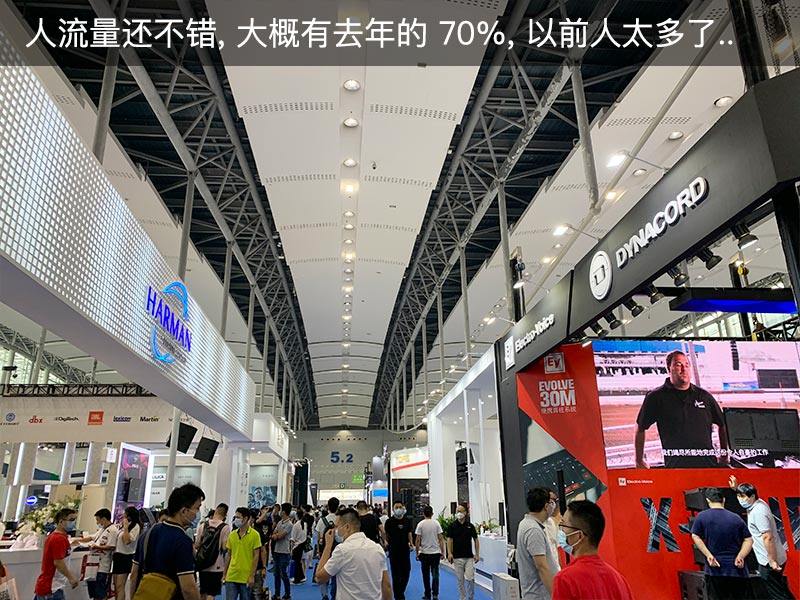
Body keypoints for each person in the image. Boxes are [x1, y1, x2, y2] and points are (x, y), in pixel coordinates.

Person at [634, 350, 729, 468]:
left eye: (687, 365)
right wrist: (639, 460)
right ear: (669, 369)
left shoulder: (704, 396)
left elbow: (722, 424)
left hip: (708, 466)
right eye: (678, 365)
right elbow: (640, 427)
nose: (684, 369)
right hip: (676, 469)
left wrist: (724, 455)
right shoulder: (656, 397)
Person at [130, 483, 204, 600]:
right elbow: (188, 588)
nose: (197, 513)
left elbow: (134, 574)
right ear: (184, 511)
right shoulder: (182, 541)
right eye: (197, 508)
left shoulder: (147, 534)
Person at [552, 500, 633, 600]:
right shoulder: (620, 581)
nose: (561, 531)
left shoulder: (565, 580)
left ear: (579, 535)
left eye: (563, 525)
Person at [730, 476, 795, 599]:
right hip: (769, 558)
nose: (740, 499)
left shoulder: (758, 512)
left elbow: (767, 537)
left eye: (742, 496)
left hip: (769, 560)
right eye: (738, 496)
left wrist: (772, 561)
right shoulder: (757, 503)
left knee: (776, 594)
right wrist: (736, 488)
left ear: (752, 496)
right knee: (780, 590)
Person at [315, 508, 392, 600]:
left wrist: (328, 546)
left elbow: (319, 578)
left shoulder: (342, 550)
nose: (335, 530)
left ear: (347, 527)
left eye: (337, 526)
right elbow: (386, 585)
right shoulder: (377, 548)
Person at [690, 487, 753, 600]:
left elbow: (695, 536)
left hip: (714, 570)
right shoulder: (736, 518)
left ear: (708, 500)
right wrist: (741, 556)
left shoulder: (702, 517)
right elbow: (748, 539)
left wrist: (708, 555)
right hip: (737, 570)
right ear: (723, 500)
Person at [517, 488, 558, 600]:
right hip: (540, 595)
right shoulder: (533, 530)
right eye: (551, 502)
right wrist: (556, 595)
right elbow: (541, 567)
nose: (554, 505)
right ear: (546, 506)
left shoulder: (528, 524)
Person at [34, 507, 80, 599]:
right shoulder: (58, 539)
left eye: (75, 519)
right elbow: (58, 562)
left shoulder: (58, 537)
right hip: (51, 588)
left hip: (50, 586)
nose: (74, 522)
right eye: (71, 520)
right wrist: (71, 577)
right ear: (61, 521)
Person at [224, 507, 262, 600]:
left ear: (245, 519)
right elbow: (228, 555)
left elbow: (256, 556)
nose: (236, 519)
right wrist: (224, 574)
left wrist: (252, 576)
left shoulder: (255, 535)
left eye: (238, 517)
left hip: (246, 577)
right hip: (232, 575)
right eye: (235, 517)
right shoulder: (232, 535)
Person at [194, 503, 231, 600]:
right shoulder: (225, 527)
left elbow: (197, 545)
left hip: (203, 564)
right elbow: (224, 547)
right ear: (225, 514)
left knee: (202, 592)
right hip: (217, 566)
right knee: (211, 594)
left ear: (215, 511)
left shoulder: (203, 525)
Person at [81, 508, 119, 600]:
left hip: (102, 566)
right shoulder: (102, 529)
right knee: (94, 591)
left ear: (104, 519)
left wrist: (96, 547)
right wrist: (77, 540)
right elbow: (92, 537)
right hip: (94, 564)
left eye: (98, 520)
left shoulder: (113, 530)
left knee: (100, 592)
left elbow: (112, 547)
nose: (97, 522)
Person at [446, 505, 480, 600]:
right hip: (457, 557)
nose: (459, 513)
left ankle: (471, 597)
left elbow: (476, 540)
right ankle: (462, 597)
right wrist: (449, 553)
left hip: (469, 557)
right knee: (460, 580)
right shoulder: (452, 526)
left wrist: (477, 554)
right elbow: (449, 540)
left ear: (465, 513)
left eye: (461, 511)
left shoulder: (470, 526)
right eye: (457, 511)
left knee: (470, 578)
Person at [384, 501, 414, 600]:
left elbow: (409, 533)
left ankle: (400, 591)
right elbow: (386, 534)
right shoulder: (389, 522)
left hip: (405, 550)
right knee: (396, 574)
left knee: (406, 572)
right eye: (396, 507)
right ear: (393, 509)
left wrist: (411, 543)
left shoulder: (407, 521)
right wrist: (386, 543)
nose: (398, 509)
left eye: (400, 507)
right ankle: (399, 596)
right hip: (394, 551)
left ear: (403, 508)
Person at [415, 505, 445, 600]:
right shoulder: (436, 524)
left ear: (423, 514)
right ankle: (435, 594)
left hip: (424, 553)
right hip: (435, 553)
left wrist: (417, 553)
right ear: (432, 514)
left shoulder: (420, 524)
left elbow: (417, 540)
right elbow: (441, 539)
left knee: (426, 575)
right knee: (435, 574)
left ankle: (427, 594)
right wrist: (443, 552)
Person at [112, 506, 141, 600]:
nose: (123, 515)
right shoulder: (122, 525)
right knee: (115, 586)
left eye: (125, 513)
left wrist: (125, 527)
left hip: (125, 557)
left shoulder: (135, 526)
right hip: (117, 556)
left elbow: (126, 541)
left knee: (120, 586)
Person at [315, 497, 340, 600]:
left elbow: (318, 538)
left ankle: (324, 595)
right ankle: (335, 595)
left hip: (325, 550)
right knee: (336, 575)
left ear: (328, 507)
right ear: (338, 507)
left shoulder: (322, 520)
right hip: (338, 551)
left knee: (323, 572)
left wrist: (318, 551)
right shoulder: (340, 520)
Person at [271, 502, 294, 600]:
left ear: (283, 512)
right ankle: (277, 594)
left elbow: (280, 536)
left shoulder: (289, 524)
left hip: (285, 552)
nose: (279, 512)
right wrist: (276, 535)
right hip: (277, 551)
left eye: (280, 510)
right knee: (276, 574)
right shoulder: (280, 522)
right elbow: (274, 533)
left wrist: (276, 535)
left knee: (283, 574)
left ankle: (287, 594)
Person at [543, 490, 561, 573]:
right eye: (551, 500)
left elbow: (555, 548)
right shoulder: (533, 525)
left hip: (556, 570)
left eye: (555, 500)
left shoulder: (551, 522)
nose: (554, 504)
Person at [290, 506, 309, 584]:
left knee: (296, 562)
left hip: (296, 545)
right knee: (298, 562)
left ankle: (297, 579)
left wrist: (291, 549)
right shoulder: (305, 524)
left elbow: (293, 538)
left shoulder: (296, 525)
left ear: (297, 516)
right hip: (302, 544)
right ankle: (301, 577)